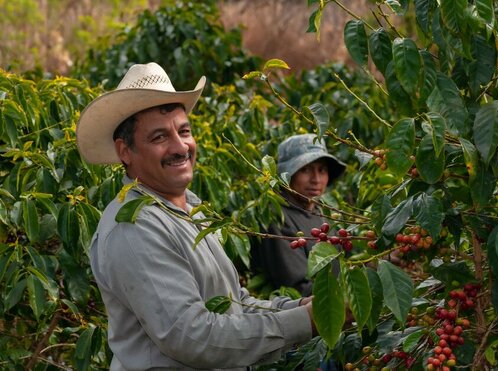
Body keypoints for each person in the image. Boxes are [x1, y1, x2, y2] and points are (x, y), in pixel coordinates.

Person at [76, 62, 314, 370]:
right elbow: (191, 337)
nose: (180, 146)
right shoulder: (134, 227)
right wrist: (302, 322)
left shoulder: (189, 208)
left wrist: (299, 309)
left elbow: (232, 303)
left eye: (184, 131)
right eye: (159, 137)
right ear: (125, 152)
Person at [251, 134, 346, 296]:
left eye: (322, 170)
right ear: (287, 175)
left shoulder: (325, 212)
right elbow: (299, 288)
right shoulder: (277, 218)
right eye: (305, 169)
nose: (316, 179)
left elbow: (350, 261)